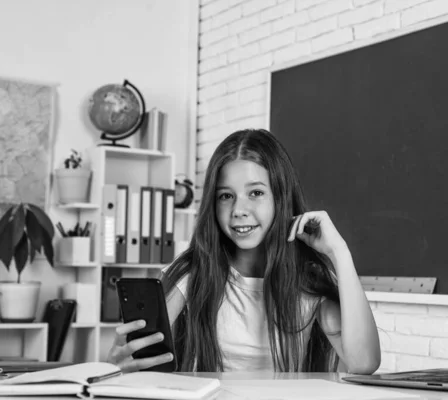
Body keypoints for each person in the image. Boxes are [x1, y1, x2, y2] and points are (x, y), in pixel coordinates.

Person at [107, 128, 380, 373]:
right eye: (226, 196)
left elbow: (363, 363)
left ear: (280, 197)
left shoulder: (307, 279)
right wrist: (117, 365)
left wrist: (339, 253)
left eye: (256, 193)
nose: (238, 211)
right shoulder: (194, 271)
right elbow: (140, 360)